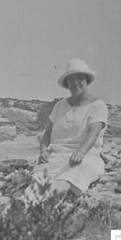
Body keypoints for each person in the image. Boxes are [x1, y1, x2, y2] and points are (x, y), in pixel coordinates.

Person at [30, 58, 107, 198]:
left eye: (80, 78)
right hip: (56, 157)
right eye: (71, 79)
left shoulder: (98, 106)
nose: (75, 82)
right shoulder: (60, 106)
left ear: (87, 80)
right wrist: (43, 151)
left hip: (85, 157)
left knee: (72, 176)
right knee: (37, 183)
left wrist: (80, 152)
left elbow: (94, 133)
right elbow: (47, 134)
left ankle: (45, 203)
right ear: (67, 84)